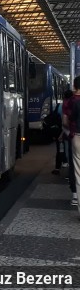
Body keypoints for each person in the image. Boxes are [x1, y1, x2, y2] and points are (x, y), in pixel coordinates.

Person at [65, 77, 80, 211]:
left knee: (77, 171)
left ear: (75, 86)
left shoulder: (72, 101)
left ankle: (77, 199)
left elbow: (68, 119)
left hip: (77, 137)